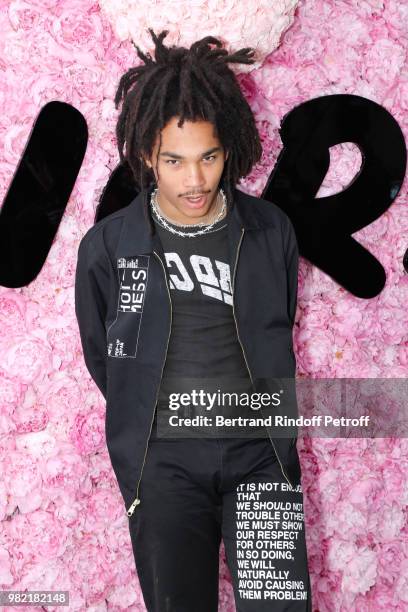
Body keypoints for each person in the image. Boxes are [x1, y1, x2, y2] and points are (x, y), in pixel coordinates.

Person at [75, 28, 312, 611]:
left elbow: (275, 325)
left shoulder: (270, 230)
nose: (195, 181)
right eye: (174, 161)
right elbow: (105, 355)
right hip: (164, 469)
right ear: (146, 156)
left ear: (228, 146)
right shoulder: (109, 246)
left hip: (261, 458)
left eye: (208, 156)